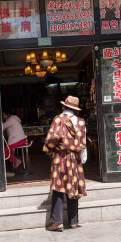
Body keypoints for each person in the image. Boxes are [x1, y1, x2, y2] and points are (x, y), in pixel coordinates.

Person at [43, 96, 87, 231]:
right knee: (73, 185)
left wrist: (48, 149)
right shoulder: (81, 122)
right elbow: (83, 142)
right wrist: (82, 157)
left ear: (64, 107)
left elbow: (52, 138)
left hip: (61, 158)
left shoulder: (58, 119)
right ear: (75, 110)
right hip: (75, 157)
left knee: (58, 187)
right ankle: (73, 221)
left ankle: (57, 221)